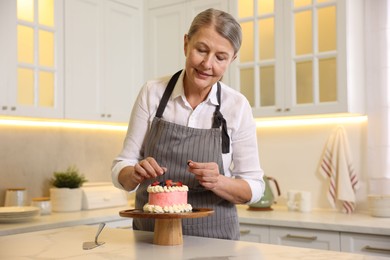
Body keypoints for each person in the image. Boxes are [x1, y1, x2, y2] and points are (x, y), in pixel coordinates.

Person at [112, 8, 265, 240]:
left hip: (216, 239)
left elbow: (254, 188)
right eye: (201, 50)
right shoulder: (152, 93)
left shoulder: (237, 106)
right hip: (152, 236)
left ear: (232, 59)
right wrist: (133, 173)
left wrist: (218, 181)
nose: (207, 64)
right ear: (186, 44)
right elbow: (122, 166)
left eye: (220, 57)